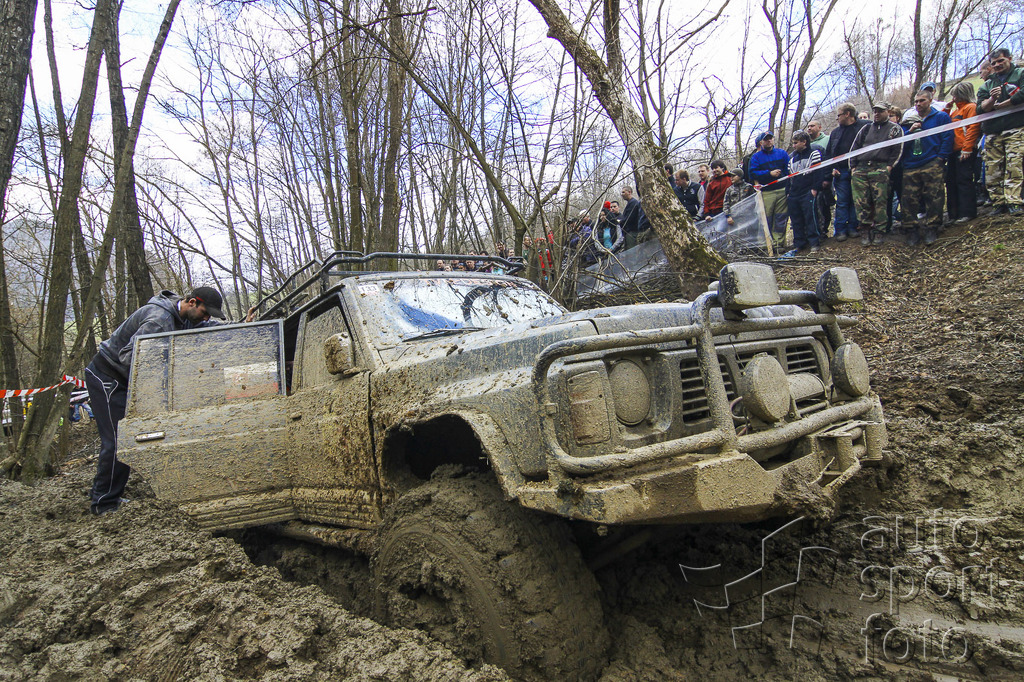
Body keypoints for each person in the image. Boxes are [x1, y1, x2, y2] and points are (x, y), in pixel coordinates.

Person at [86, 287, 225, 515]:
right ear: (192, 302)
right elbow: (128, 357)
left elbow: (203, 328)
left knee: (128, 438)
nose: (206, 318)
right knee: (118, 441)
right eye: (205, 312)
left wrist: (241, 325)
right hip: (108, 376)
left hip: (126, 379)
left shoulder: (183, 316)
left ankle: (108, 495)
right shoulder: (159, 322)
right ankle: (103, 503)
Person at [900, 90, 953, 245]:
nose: (918, 104)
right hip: (911, 165)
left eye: (922, 100)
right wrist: (910, 131)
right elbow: (900, 143)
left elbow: (948, 137)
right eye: (916, 101)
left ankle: (932, 227)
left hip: (932, 162)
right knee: (909, 199)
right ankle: (911, 230)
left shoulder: (941, 117)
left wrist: (941, 158)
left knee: (934, 197)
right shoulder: (908, 121)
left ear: (930, 101)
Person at [976, 47, 1024, 216]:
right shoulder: (988, 84)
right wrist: (992, 99)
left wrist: (1008, 103)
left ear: (1009, 59)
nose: (997, 65)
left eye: (1001, 61)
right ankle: (998, 202)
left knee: (1014, 166)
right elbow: (979, 109)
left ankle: (1014, 202)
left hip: (1015, 127)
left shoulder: (1020, 74)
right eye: (994, 63)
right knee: (992, 168)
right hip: (992, 131)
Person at [849, 101, 903, 246]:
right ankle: (865, 229)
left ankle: (880, 230)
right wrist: (853, 167)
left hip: (880, 167)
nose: (877, 114)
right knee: (861, 201)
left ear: (888, 112)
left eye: (880, 111)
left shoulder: (894, 129)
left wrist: (889, 167)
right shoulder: (866, 128)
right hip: (861, 168)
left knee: (880, 201)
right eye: (875, 111)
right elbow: (855, 148)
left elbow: (898, 149)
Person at [824, 102, 869, 242]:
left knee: (856, 200)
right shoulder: (835, 132)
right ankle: (840, 230)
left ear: (847, 114)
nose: (837, 118)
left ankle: (853, 227)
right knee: (842, 201)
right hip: (841, 171)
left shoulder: (865, 126)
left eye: (839, 115)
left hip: (859, 169)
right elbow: (829, 153)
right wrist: (832, 168)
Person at [944, 81, 981, 223]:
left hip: (964, 150)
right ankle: (953, 214)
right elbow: (943, 124)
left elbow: (973, 128)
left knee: (964, 180)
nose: (954, 98)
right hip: (953, 150)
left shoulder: (970, 107)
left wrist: (967, 148)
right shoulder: (955, 111)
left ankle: (968, 212)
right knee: (951, 181)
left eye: (956, 95)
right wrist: (947, 109)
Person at [749, 131, 791, 252]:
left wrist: (784, 178)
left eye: (770, 138)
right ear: (761, 142)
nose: (768, 141)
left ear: (773, 139)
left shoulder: (782, 153)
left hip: (782, 189)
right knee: (766, 218)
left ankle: (778, 244)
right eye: (766, 139)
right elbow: (752, 173)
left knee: (781, 217)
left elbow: (789, 169)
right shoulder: (756, 157)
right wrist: (769, 173)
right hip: (766, 191)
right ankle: (766, 244)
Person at [785, 131, 823, 255]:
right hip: (794, 193)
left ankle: (814, 242)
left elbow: (818, 172)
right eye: (793, 143)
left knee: (810, 217)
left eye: (796, 143)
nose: (794, 146)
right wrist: (788, 192)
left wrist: (815, 188)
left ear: (804, 142)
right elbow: (789, 177)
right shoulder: (792, 158)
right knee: (796, 220)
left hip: (807, 191)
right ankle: (799, 244)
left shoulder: (814, 153)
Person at [806, 120, 833, 241]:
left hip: (825, 177)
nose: (809, 128)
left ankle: (824, 230)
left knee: (824, 205)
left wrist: (827, 177)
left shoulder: (827, 139)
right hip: (810, 181)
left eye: (812, 126)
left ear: (820, 127)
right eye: (808, 126)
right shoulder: (806, 143)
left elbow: (830, 158)